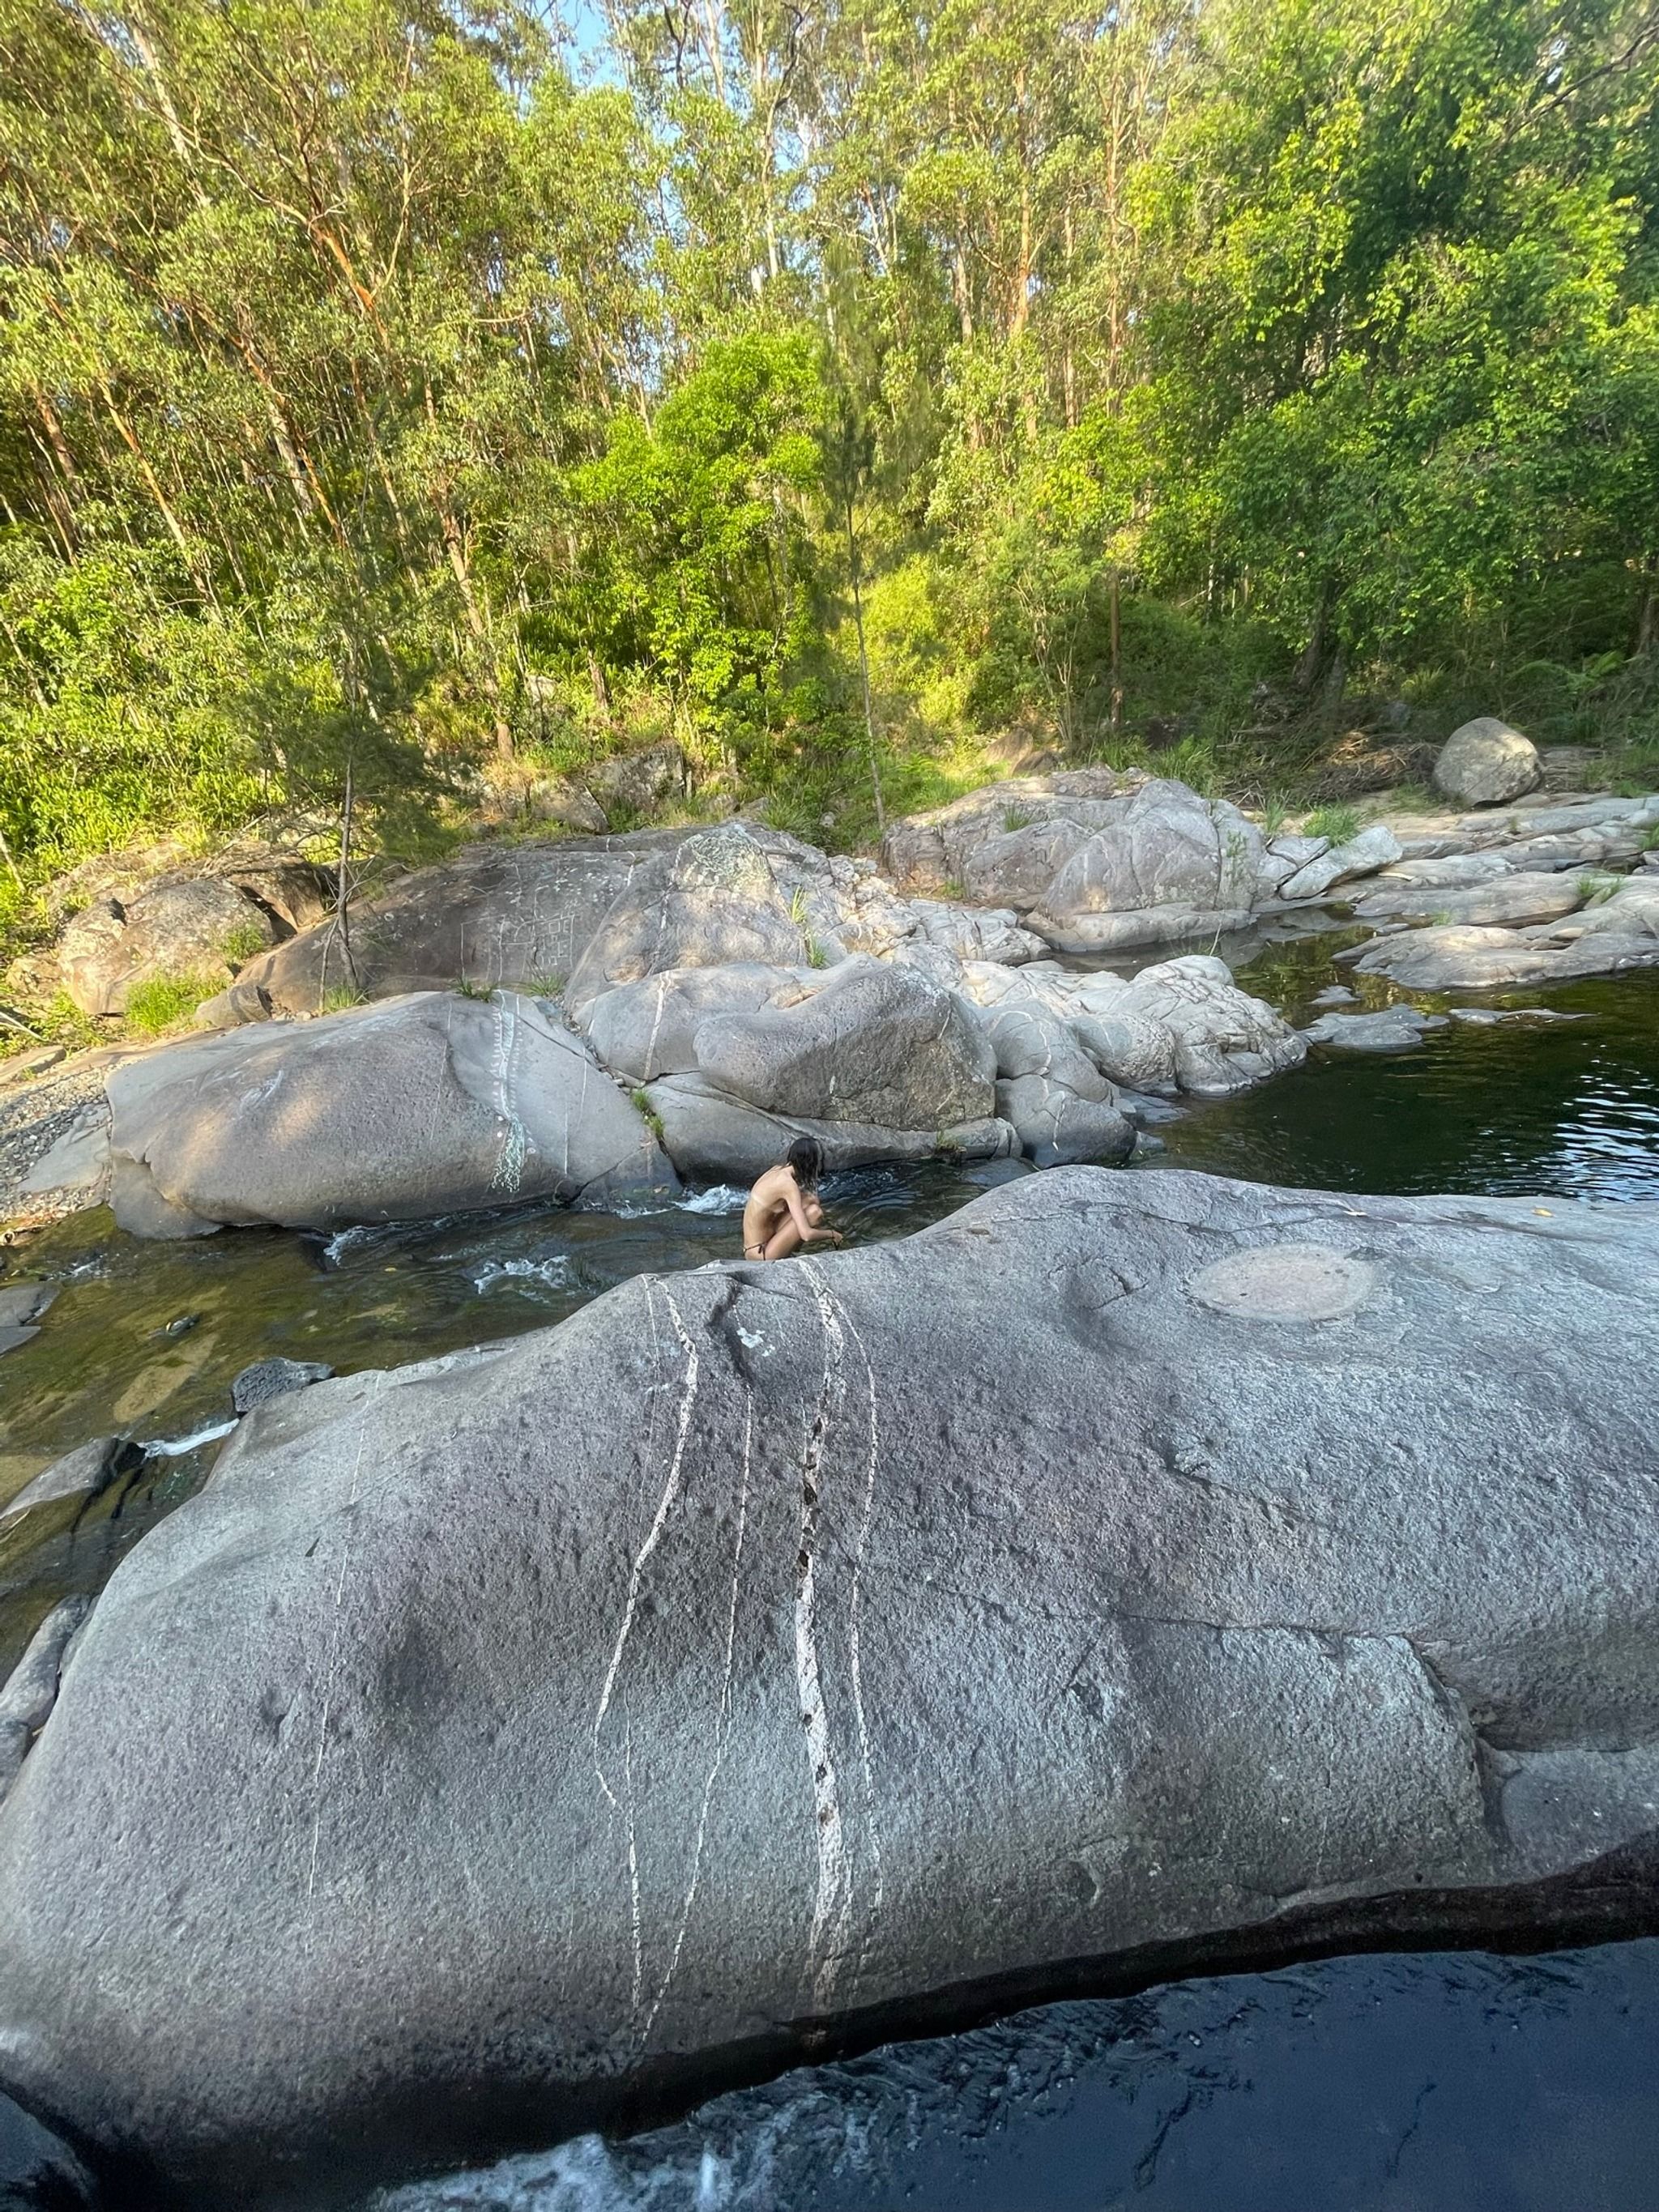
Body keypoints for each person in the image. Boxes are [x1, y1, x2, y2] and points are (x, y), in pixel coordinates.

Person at [741, 1136, 843, 1262]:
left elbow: (809, 1199)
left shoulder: (776, 1170)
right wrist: (832, 1234)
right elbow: (806, 1235)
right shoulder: (788, 1185)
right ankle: (788, 1252)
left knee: (810, 1200)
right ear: (811, 1163)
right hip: (762, 1254)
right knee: (814, 1213)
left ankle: (787, 1248)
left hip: (754, 1247)